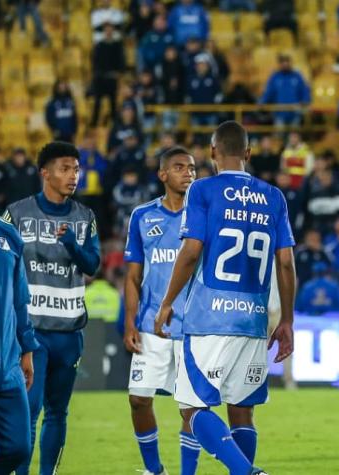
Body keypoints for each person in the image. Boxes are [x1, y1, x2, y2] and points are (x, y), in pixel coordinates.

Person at [153, 121, 296, 475]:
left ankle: (248, 472)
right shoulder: (274, 197)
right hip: (254, 319)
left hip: (209, 317)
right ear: (248, 153)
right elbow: (286, 263)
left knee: (191, 407)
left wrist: (167, 301)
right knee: (242, 410)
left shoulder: (202, 190)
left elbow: (191, 252)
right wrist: (287, 320)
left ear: (212, 152)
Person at [3, 142, 101, 475]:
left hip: (69, 333)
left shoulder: (85, 217)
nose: (73, 176)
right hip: (31, 332)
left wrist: (72, 244)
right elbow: (1, 263)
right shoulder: (17, 214)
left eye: (76, 169)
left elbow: (92, 265)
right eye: (65, 169)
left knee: (58, 413)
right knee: (28, 412)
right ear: (45, 173)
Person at [122, 147, 197, 475]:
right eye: (179, 167)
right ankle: (154, 470)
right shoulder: (142, 215)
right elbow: (133, 276)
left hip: (193, 327)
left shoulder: (203, 215)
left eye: (192, 168)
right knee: (138, 399)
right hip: (151, 326)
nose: (188, 173)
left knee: (191, 408)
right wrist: (129, 323)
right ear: (162, 174)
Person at [0, 151, 37, 473]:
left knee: (17, 448)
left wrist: (27, 348)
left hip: (5, 367)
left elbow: (20, 300)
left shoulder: (7, 234)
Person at [259, 54, 312, 129]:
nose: (285, 64)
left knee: (294, 133)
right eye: (283, 62)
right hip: (279, 111)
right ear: (279, 64)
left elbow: (304, 90)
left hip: (295, 111)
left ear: (290, 63)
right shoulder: (275, 77)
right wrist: (262, 102)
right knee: (280, 132)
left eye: (287, 61)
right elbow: (269, 92)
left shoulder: (297, 76)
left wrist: (305, 100)